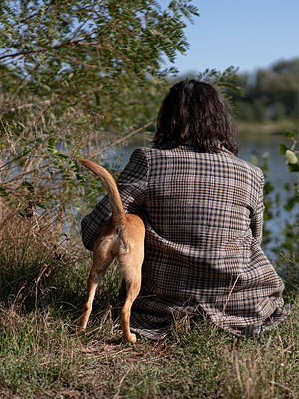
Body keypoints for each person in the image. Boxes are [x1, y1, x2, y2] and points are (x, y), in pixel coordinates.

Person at [81, 79, 288, 339]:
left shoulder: (149, 161)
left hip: (159, 311)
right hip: (241, 308)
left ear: (168, 121)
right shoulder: (251, 174)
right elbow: (254, 241)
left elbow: (92, 235)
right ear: (222, 122)